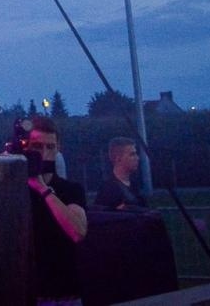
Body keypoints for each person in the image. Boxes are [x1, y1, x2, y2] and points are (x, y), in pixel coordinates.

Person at [24, 115, 87, 306]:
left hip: (65, 296)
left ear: (58, 148)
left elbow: (78, 231)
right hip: (27, 295)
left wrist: (44, 190)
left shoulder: (71, 190)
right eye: (37, 147)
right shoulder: (14, 192)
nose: (44, 154)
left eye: (50, 147)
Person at [95, 136, 150, 211]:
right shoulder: (108, 190)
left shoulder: (134, 186)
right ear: (118, 158)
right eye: (132, 154)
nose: (137, 158)